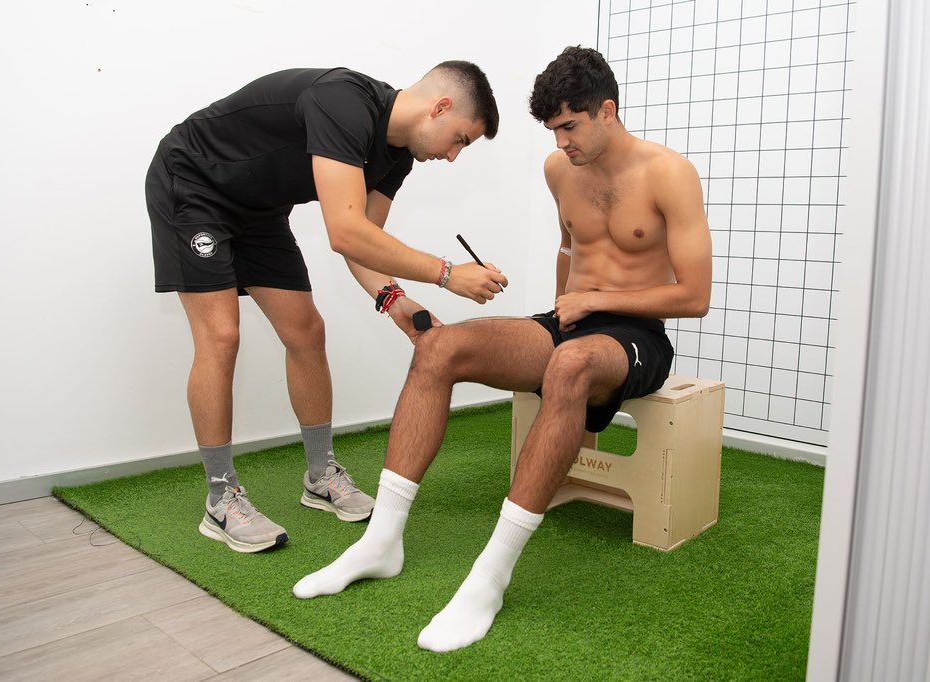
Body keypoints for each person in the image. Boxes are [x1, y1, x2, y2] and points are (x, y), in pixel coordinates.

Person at [291, 45, 713, 651]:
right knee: (439, 347)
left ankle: (489, 578)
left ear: (607, 111)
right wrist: (566, 307)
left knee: (569, 364)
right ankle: (380, 542)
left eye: (569, 126)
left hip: (639, 336)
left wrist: (592, 307)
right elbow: (570, 251)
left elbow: (694, 294)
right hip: (574, 323)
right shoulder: (558, 169)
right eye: (552, 130)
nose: (560, 143)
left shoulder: (669, 173)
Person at [144, 62, 508, 554]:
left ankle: (320, 476)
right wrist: (447, 273)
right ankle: (220, 496)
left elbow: (364, 244)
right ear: (439, 108)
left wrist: (397, 303)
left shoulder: (395, 158)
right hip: (193, 182)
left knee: (306, 331)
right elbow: (344, 229)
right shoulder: (344, 102)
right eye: (460, 139)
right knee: (222, 335)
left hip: (258, 210)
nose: (453, 155)